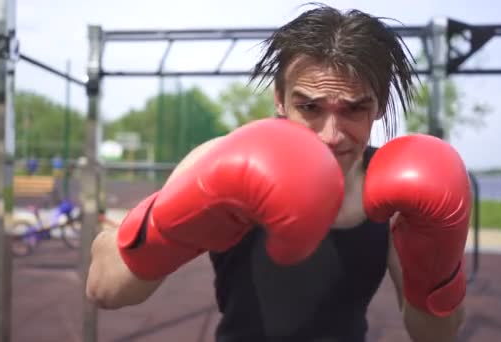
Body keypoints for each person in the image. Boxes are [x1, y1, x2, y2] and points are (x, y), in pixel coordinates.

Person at [86, 4, 471, 342]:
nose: (331, 136)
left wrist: (436, 266)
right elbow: (105, 288)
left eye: (354, 109)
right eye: (310, 108)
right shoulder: (221, 158)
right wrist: (169, 228)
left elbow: (436, 335)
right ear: (280, 99)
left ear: (380, 105)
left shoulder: (398, 187)